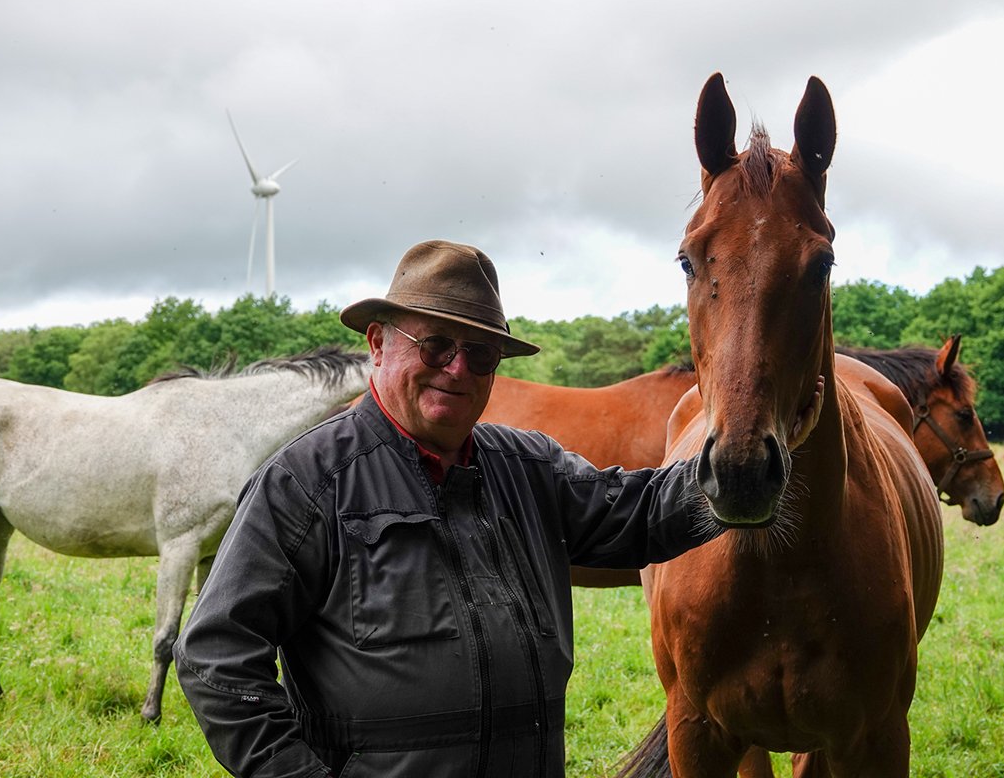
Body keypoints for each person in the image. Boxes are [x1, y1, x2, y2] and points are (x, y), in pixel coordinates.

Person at [174, 239, 714, 778]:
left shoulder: (531, 469)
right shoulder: (306, 482)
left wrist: (737, 467)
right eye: (435, 346)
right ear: (378, 344)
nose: (458, 369)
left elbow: (642, 512)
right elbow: (214, 654)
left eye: (481, 354)